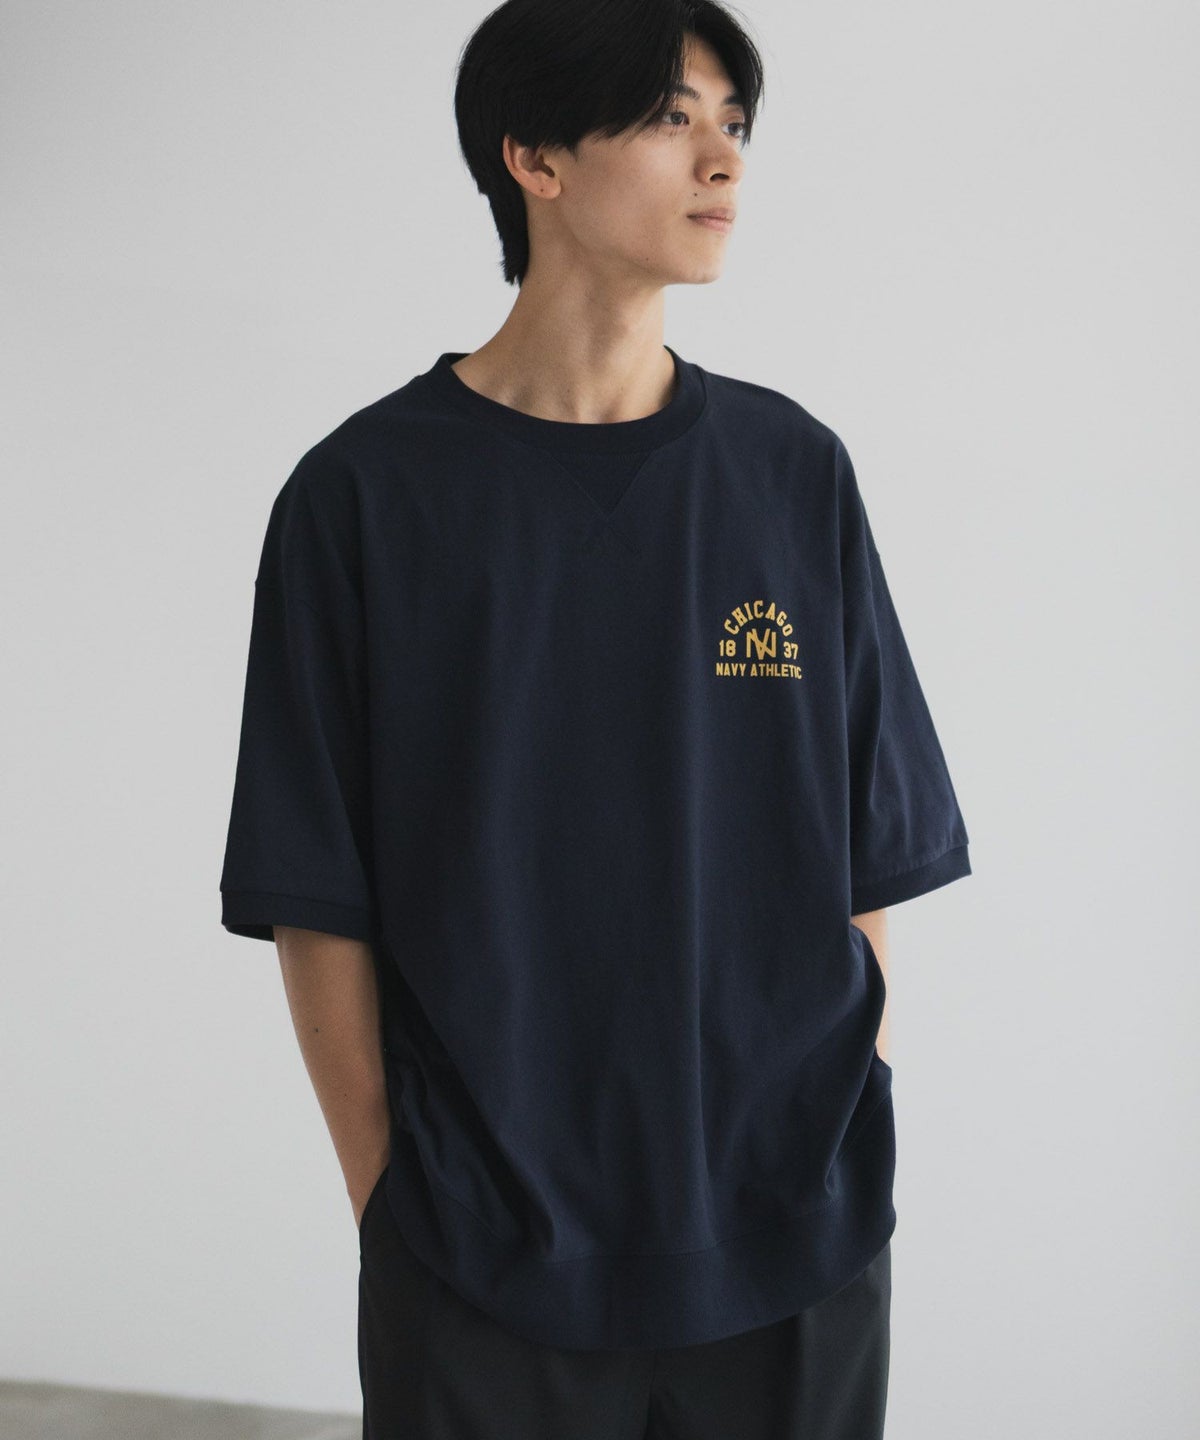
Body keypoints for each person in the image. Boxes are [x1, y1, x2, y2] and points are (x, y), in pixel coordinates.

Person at [218, 1, 972, 1435]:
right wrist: (393, 1202)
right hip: (481, 1264)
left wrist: (842, 1115)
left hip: (793, 1247)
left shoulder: (791, 475)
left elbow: (872, 856)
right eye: (672, 117)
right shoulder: (362, 498)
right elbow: (314, 894)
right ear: (535, 158)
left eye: (734, 124)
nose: (723, 161)